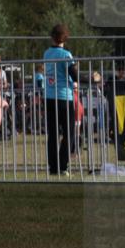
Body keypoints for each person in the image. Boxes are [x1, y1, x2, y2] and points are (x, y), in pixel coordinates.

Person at [43, 23, 77, 176]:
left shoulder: (46, 53)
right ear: (65, 38)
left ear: (52, 37)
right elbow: (74, 74)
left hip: (49, 97)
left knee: (53, 133)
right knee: (69, 132)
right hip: (64, 96)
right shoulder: (66, 55)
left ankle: (53, 167)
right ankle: (63, 165)